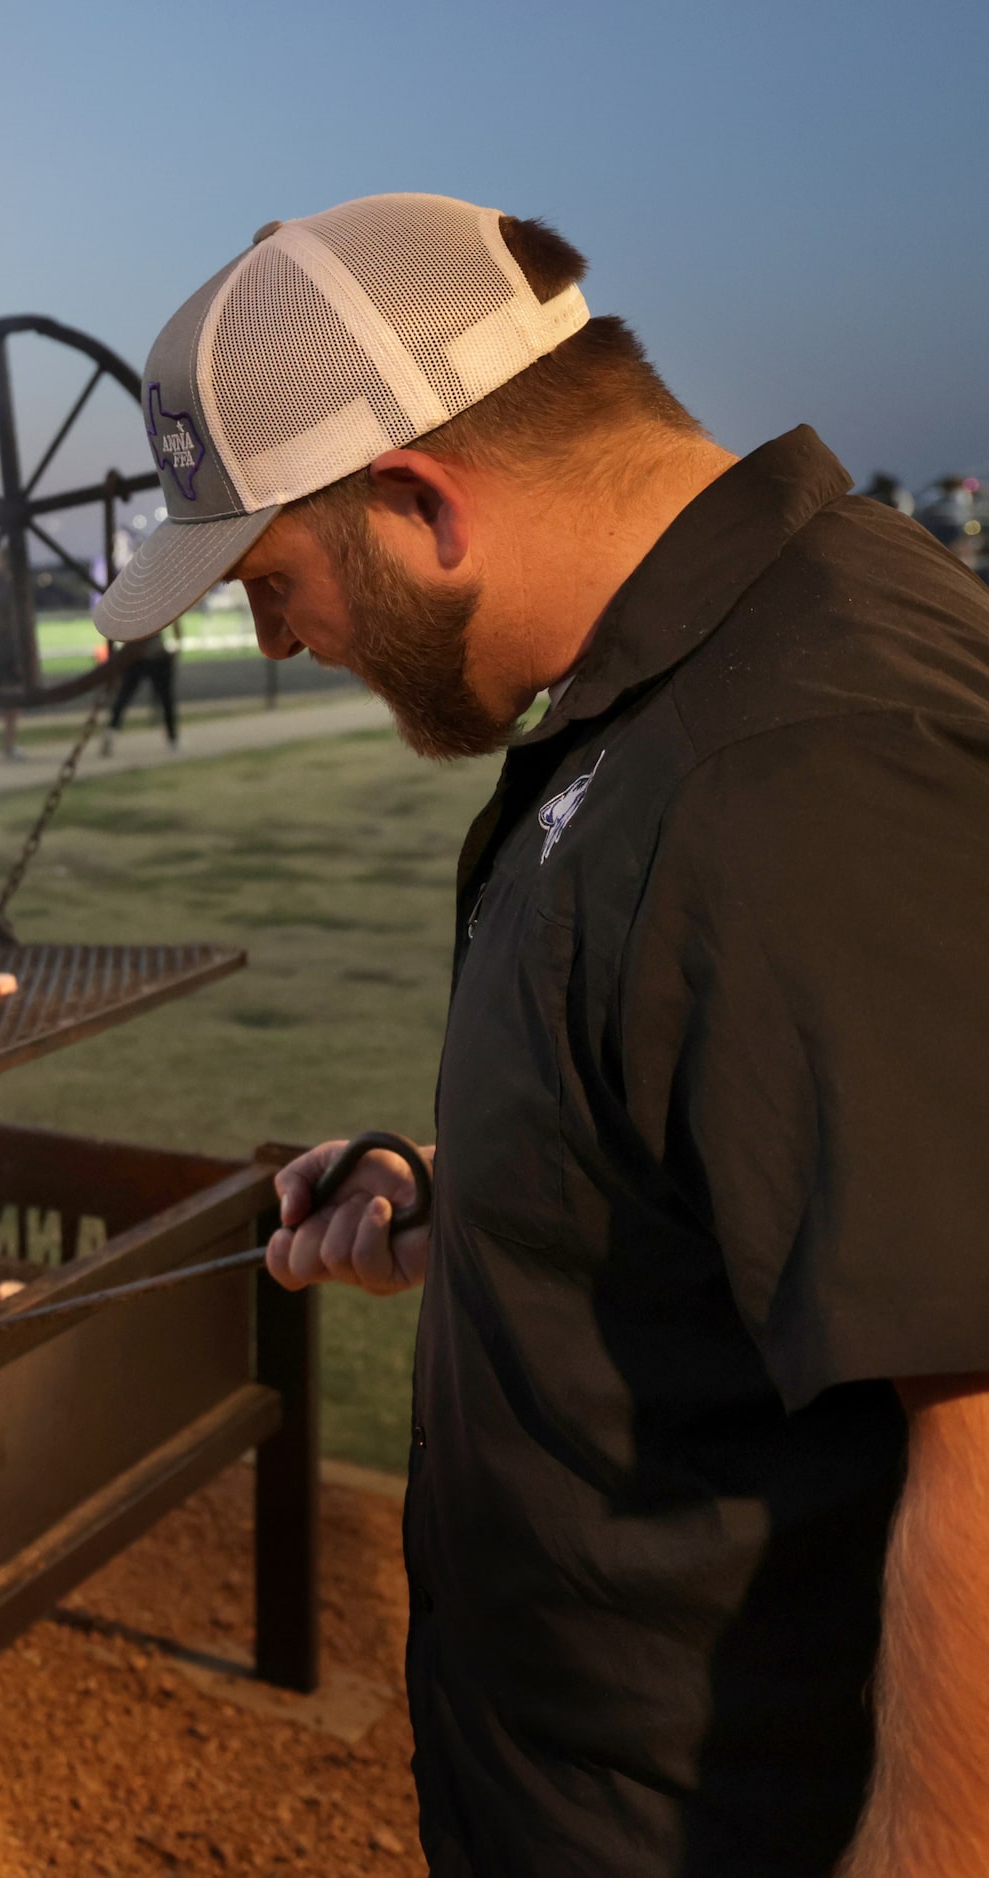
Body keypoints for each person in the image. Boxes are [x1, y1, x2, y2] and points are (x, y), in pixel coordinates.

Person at [92, 194, 989, 1877]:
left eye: (270, 579)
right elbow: (743, 1136)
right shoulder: (674, 687)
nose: (276, 637)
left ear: (420, 501)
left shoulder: (806, 748)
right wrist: (485, 1195)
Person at [96, 620, 178, 757]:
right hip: (139, 658)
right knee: (124, 698)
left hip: (149, 658)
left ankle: (172, 737)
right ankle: (111, 734)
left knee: (165, 699)